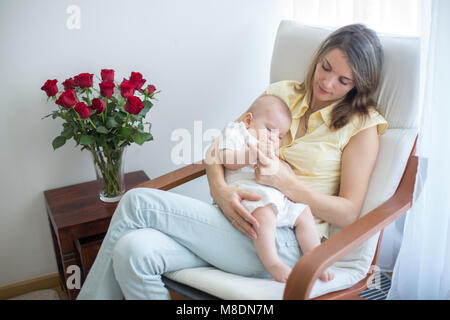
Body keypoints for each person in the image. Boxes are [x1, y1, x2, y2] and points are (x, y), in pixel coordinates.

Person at [77, 24, 388, 300]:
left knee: (137, 201)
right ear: (318, 57)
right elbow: (220, 147)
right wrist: (220, 192)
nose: (328, 83)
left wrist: (288, 184)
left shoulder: (362, 125)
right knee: (133, 252)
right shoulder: (281, 94)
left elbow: (348, 212)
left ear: (358, 86)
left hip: (286, 237)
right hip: (230, 220)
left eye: (343, 80)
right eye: (325, 67)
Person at [216, 94, 333, 283]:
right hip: (250, 195)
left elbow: (280, 173)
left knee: (304, 213)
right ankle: (273, 263)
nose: (273, 138)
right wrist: (249, 155)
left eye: (279, 136)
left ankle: (315, 258)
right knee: (266, 214)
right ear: (248, 121)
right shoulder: (236, 131)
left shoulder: (270, 145)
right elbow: (224, 158)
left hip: (277, 198)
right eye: (269, 129)